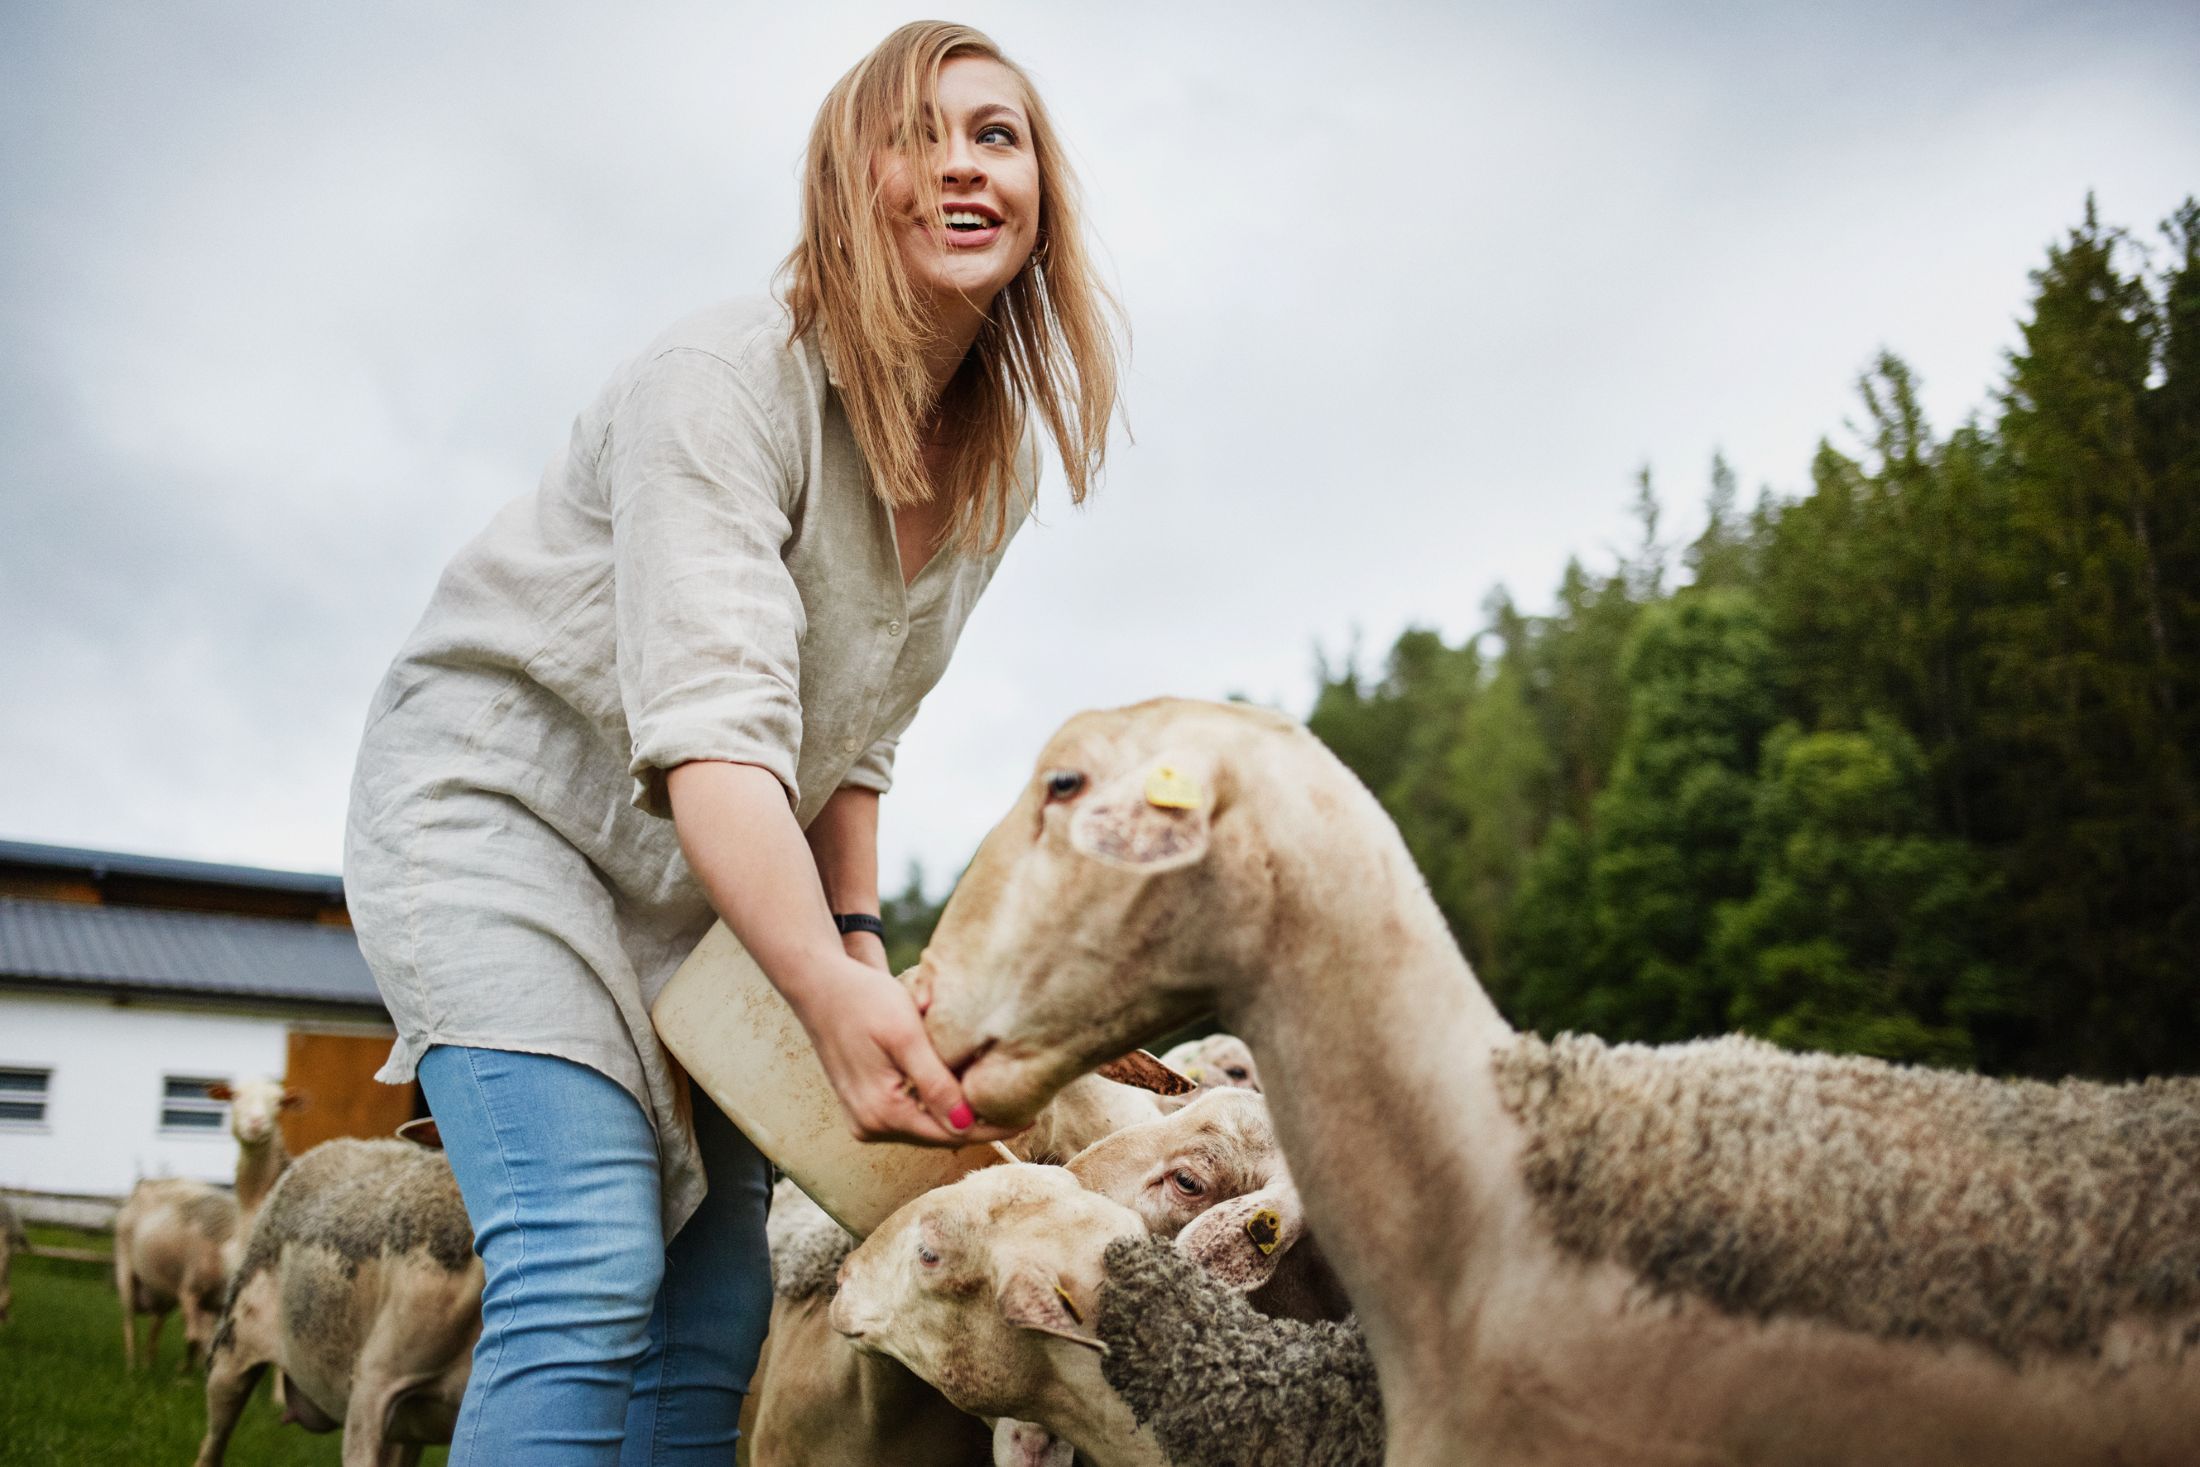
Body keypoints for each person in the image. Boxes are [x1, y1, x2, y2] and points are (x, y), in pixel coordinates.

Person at [342, 21, 1121, 1464]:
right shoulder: (718, 380)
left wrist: (857, 945)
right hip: (504, 822)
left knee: (712, 1313)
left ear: (1041, 193)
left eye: (998, 135)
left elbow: (854, 732)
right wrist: (822, 1003)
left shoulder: (988, 470)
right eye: (915, 133)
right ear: (847, 180)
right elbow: (714, 740)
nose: (961, 165)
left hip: (716, 885)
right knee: (586, 1264)